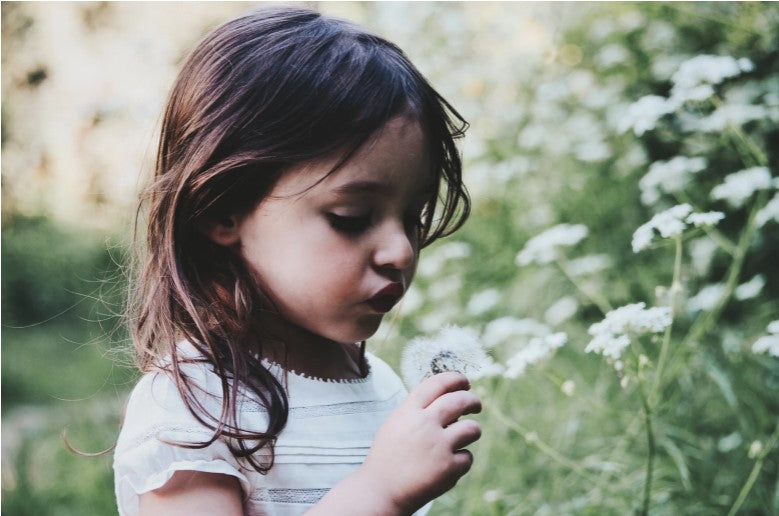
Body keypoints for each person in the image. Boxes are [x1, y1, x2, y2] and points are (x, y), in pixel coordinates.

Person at [113, 6, 481, 516]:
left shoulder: (382, 387)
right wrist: (380, 492)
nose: (401, 251)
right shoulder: (189, 409)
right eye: (351, 217)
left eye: (414, 216)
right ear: (222, 209)